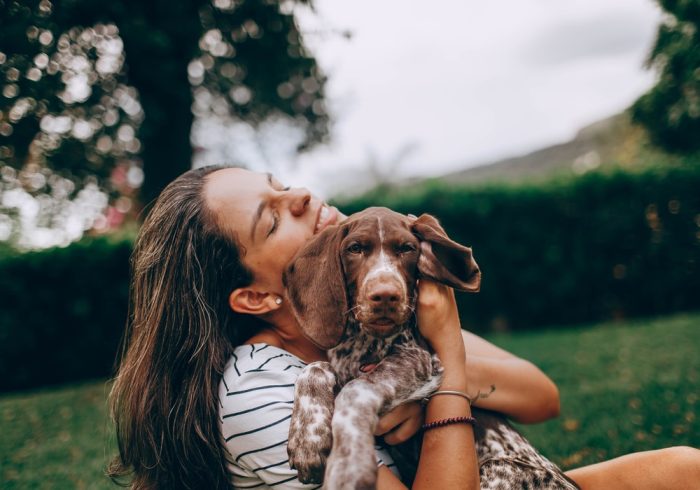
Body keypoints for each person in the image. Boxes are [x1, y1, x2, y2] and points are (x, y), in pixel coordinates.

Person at [108, 165, 700, 489]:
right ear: (257, 294)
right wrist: (444, 362)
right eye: (274, 215)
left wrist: (436, 379)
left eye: (282, 184)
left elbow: (542, 396)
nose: (303, 194)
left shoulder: (387, 309)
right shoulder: (259, 391)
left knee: (685, 469)